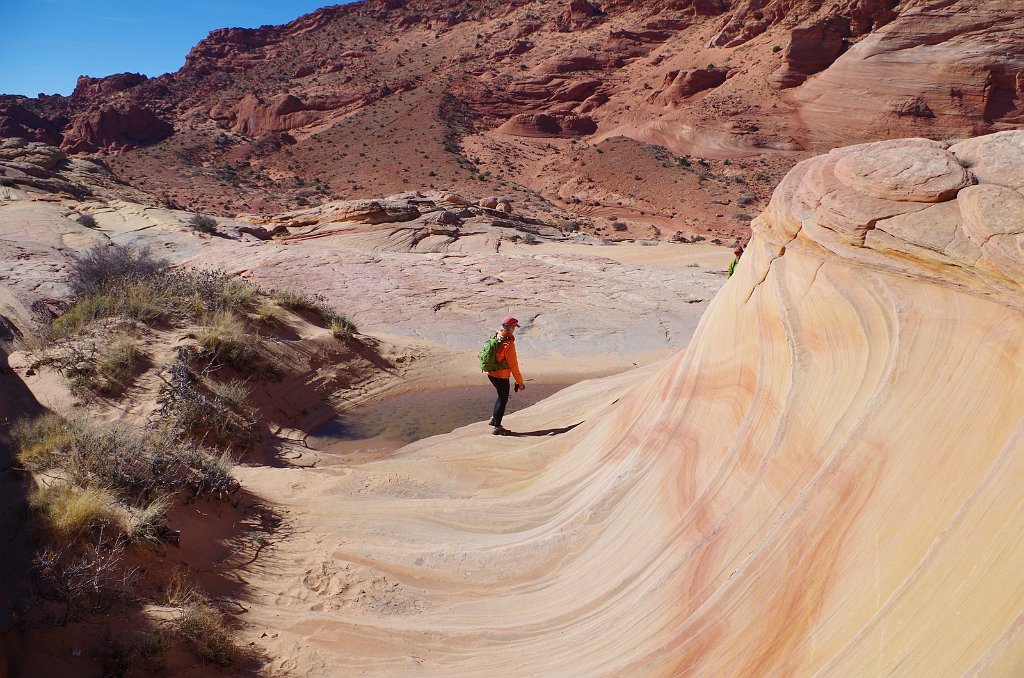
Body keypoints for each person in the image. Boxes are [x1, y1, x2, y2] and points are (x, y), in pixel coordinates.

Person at [486, 316, 525, 435]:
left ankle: (494, 419)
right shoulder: (508, 344)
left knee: (500, 396)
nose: (514, 329)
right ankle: (497, 427)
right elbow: (514, 366)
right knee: (503, 399)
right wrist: (520, 382)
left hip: (491, 373)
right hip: (501, 376)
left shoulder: (496, 336)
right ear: (509, 327)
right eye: (514, 327)